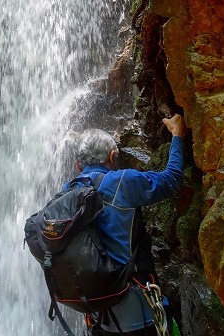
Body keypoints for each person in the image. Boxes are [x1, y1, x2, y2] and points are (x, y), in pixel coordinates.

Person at [70, 114, 186, 335]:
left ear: (77, 165)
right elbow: (172, 179)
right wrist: (177, 136)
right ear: (112, 157)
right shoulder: (122, 182)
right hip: (140, 315)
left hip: (96, 315)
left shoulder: (66, 192)